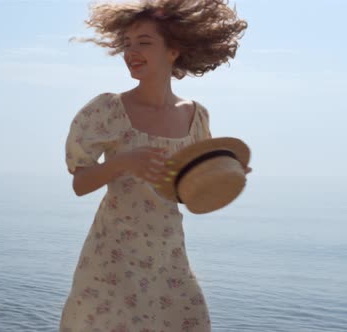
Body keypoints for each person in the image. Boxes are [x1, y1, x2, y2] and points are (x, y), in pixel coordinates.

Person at [61, 1, 249, 331]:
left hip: (169, 258)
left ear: (174, 49)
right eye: (127, 44)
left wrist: (221, 175)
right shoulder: (108, 109)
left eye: (144, 42)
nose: (131, 52)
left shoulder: (196, 116)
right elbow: (80, 184)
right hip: (112, 258)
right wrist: (123, 163)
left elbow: (187, 196)